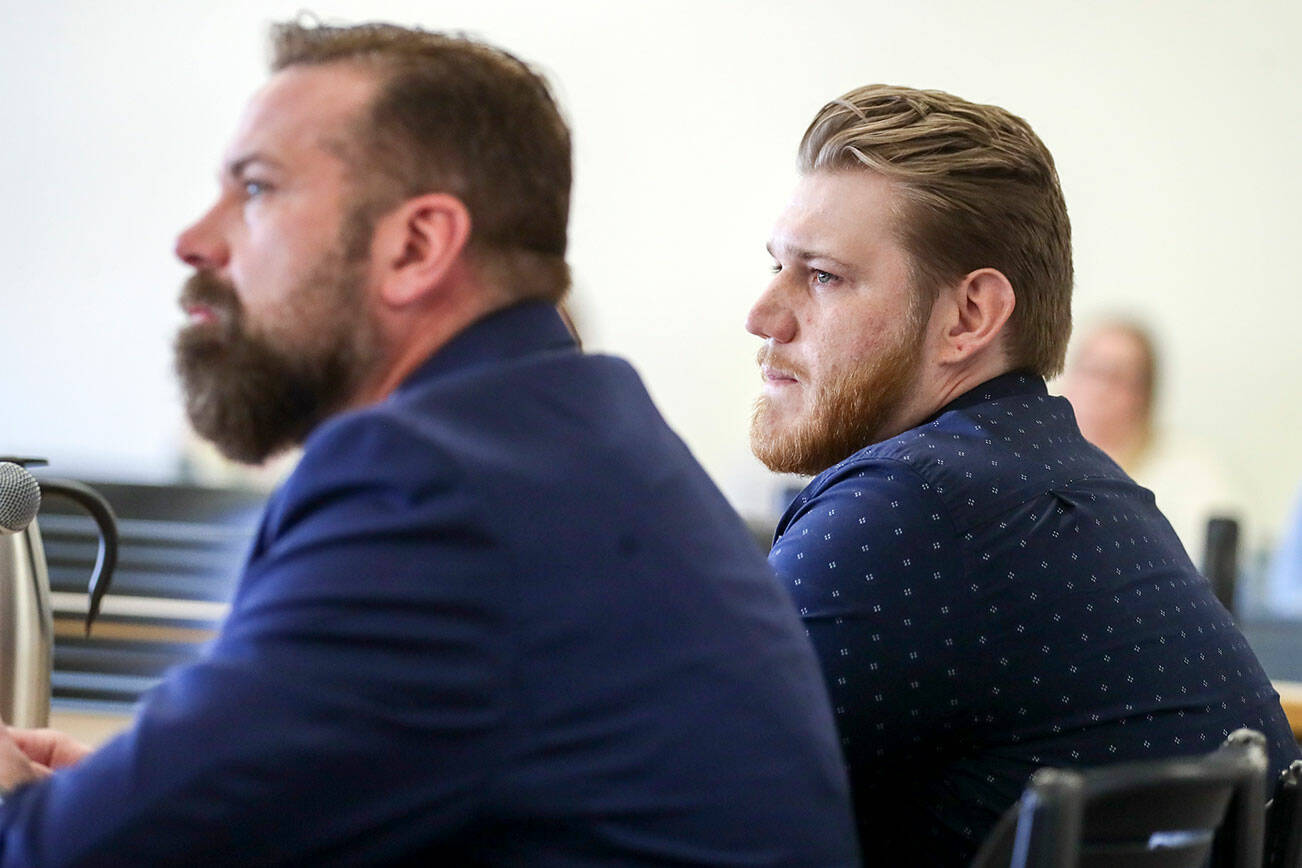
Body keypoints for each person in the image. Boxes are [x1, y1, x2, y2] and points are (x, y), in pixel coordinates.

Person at [0, 21, 859, 866]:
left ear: (415, 246)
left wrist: (53, 811)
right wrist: (141, 794)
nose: (194, 239)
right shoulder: (577, 433)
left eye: (255, 189)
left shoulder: (431, 488)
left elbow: (61, 855)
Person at [745, 83, 1299, 866]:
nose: (764, 314)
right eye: (775, 265)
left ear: (969, 317)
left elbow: (661, 798)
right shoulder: (1088, 490)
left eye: (823, 276)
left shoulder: (907, 510)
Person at [1059, 318, 1240, 563]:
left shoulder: (1190, 469)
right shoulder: (1037, 457)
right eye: (1091, 371)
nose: (1099, 390)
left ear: (1145, 393)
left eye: (1116, 376)